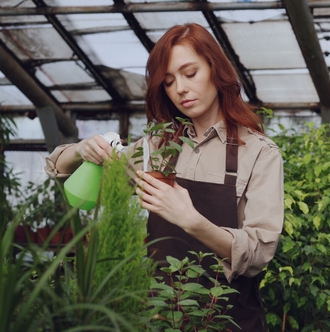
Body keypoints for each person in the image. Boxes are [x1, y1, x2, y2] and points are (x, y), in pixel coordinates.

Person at [45, 23, 284, 331]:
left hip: (229, 319)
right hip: (162, 317)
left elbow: (258, 253)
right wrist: (81, 150)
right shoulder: (157, 148)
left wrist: (192, 220)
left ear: (215, 69)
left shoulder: (259, 152)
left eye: (190, 73)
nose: (180, 89)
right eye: (169, 82)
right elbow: (75, 181)